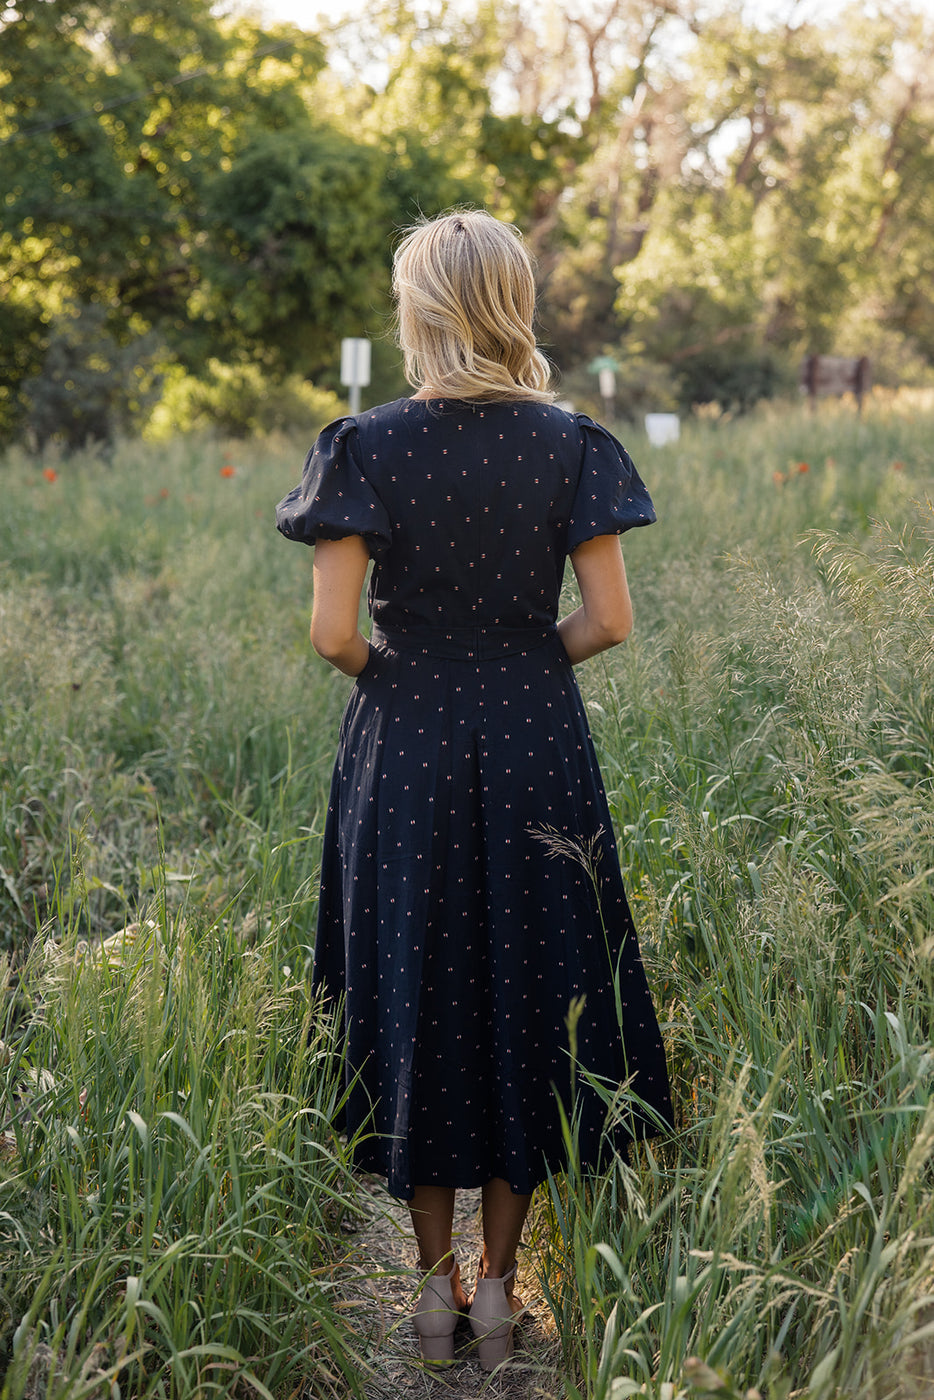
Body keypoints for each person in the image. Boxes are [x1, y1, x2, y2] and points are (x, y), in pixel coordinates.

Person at [275, 209, 672, 1371]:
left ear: (419, 309)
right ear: (515, 305)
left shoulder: (365, 445)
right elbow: (607, 620)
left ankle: (432, 1296)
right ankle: (503, 1293)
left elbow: (331, 634)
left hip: (405, 739)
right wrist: (517, 663)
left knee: (419, 989)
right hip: (535, 731)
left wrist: (407, 673)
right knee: (526, 992)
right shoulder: (573, 444)